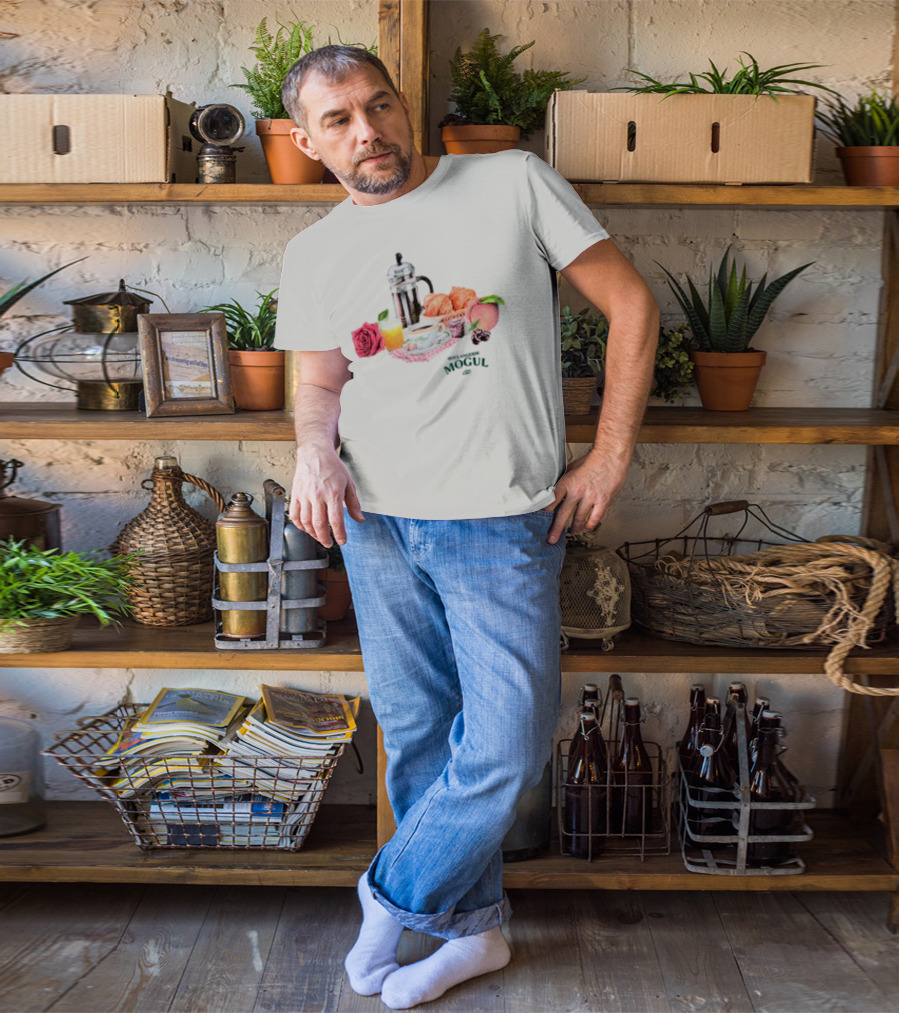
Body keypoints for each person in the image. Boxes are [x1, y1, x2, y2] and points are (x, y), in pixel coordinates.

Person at [276, 45, 658, 1010]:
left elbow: (632, 306)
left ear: (407, 106)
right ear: (309, 143)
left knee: (509, 744)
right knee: (416, 738)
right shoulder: (315, 250)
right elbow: (318, 383)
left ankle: (388, 893)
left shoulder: (513, 182)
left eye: (379, 105)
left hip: (499, 519)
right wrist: (314, 451)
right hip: (374, 521)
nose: (367, 131)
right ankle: (472, 935)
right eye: (338, 121)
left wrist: (609, 455)